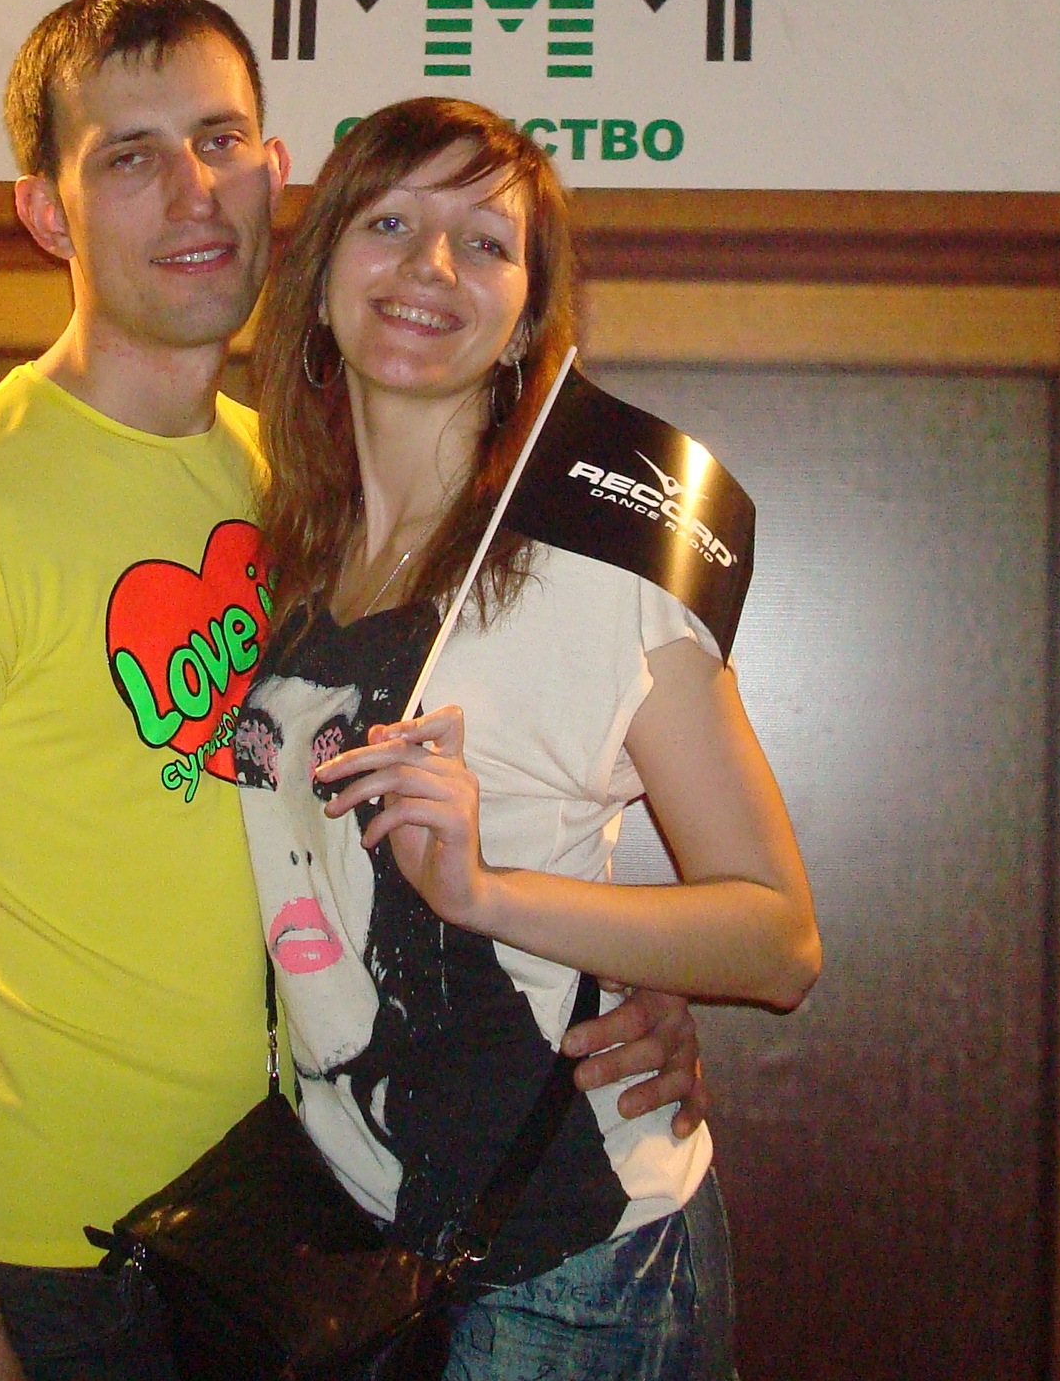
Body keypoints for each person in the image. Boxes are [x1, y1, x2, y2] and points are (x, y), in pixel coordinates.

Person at [0, 0, 707, 1381]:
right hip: (67, 1257)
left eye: (221, 140)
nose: (195, 191)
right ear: (46, 212)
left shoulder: (302, 492)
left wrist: (603, 1004)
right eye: (130, 155)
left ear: (276, 172)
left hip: (304, 1223)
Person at [237, 96, 820, 1381]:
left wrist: (492, 894)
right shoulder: (291, 558)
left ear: (524, 320)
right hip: (348, 1237)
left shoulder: (596, 575)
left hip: (572, 1253)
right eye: (390, 224)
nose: (432, 267)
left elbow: (778, 941)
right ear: (321, 278)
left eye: (485, 243)